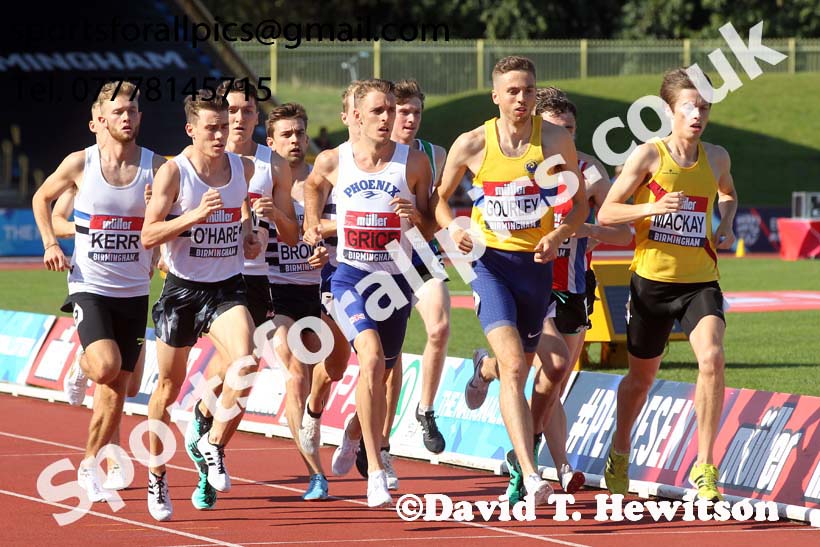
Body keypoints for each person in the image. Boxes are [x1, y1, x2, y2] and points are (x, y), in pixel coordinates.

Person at [434, 56, 588, 505]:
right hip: (488, 264)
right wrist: (455, 230)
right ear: (496, 96)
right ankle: (529, 471)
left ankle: (483, 367)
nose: (522, 99)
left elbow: (577, 207)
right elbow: (440, 202)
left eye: (528, 90)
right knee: (517, 369)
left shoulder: (555, 139)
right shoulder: (473, 143)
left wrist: (558, 234)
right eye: (513, 91)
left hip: (535, 268)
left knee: (511, 365)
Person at [480, 87, 633, 501]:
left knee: (553, 381)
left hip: (576, 288)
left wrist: (589, 229)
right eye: (554, 128)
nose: (562, 136)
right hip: (533, 282)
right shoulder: (520, 169)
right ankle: (535, 468)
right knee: (548, 363)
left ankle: (489, 375)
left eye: (570, 129)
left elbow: (624, 231)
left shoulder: (592, 173)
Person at [597, 67, 738, 502]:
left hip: (700, 282)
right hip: (651, 285)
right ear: (668, 111)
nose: (698, 115)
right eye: (689, 107)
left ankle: (706, 466)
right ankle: (620, 450)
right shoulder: (648, 156)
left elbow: (728, 192)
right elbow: (606, 213)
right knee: (640, 380)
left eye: (704, 107)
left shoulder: (716, 157)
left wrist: (726, 223)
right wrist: (651, 209)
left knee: (712, 358)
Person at [141, 91, 274, 521]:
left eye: (225, 125)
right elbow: (148, 235)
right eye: (212, 127)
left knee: (248, 360)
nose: (221, 134)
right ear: (191, 130)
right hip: (181, 290)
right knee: (167, 387)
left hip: (226, 288)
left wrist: (251, 234)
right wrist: (192, 217)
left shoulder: (244, 168)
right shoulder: (174, 173)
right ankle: (157, 475)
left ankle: (212, 443)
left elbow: (245, 215)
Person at [32, 81, 164, 503]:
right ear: (101, 120)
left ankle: (90, 463)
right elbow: (41, 198)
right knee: (106, 367)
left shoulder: (157, 167)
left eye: (133, 111)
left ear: (140, 118)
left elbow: (172, 217)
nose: (127, 117)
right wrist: (52, 243)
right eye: (119, 111)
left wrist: (162, 240)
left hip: (134, 290)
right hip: (90, 285)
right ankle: (85, 360)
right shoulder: (80, 164)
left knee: (118, 388)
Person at [304, 78, 432, 507]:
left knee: (382, 371)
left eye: (392, 110)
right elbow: (312, 187)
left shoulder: (413, 164)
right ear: (356, 116)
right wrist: (310, 229)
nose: (388, 118)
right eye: (378, 111)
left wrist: (415, 217)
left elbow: (431, 225)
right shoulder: (333, 160)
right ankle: (375, 471)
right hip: (349, 277)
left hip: (395, 282)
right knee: (371, 357)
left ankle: (354, 433)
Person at [182, 79, 298, 511]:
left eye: (247, 111)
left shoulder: (273, 166)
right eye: (232, 111)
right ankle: (205, 428)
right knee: (237, 364)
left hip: (256, 277)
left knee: (242, 370)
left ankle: (211, 442)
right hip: (210, 276)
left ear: (256, 116)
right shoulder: (204, 160)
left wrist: (270, 219)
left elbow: (292, 232)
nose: (239, 118)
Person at [345, 79, 450, 489]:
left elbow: (438, 207)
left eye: (415, 113)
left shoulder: (432, 156)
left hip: (421, 259)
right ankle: (372, 438)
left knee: (440, 327)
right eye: (401, 112)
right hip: (380, 265)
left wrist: (441, 221)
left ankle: (425, 410)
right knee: (386, 365)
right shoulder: (368, 152)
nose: (406, 120)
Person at [265, 102, 342, 501]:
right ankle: (316, 473)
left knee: (331, 371)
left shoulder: (322, 182)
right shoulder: (260, 183)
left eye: (300, 133)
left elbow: (340, 233)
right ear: (271, 141)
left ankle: (312, 417)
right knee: (296, 374)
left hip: (321, 290)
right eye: (287, 135)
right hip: (277, 292)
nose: (295, 141)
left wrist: (327, 251)